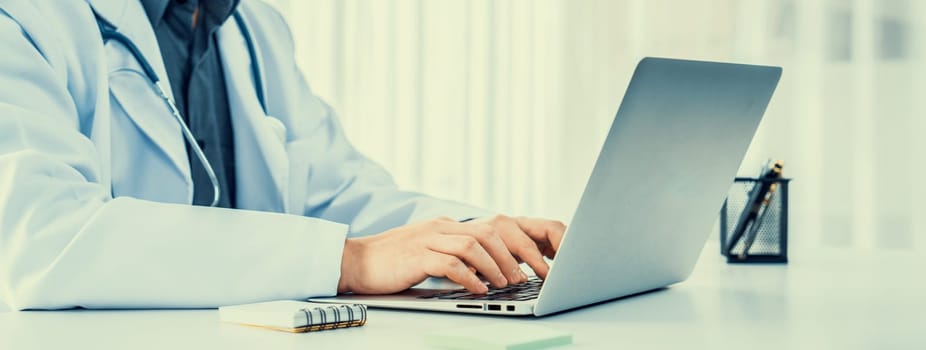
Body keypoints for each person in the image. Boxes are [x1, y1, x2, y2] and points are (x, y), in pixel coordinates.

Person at [0, 0, 564, 310]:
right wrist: (349, 261)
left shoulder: (249, 26)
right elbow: (46, 236)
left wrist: (478, 236)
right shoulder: (25, 20)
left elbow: (338, 192)